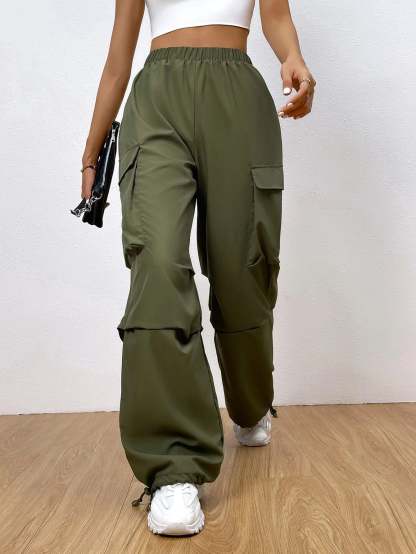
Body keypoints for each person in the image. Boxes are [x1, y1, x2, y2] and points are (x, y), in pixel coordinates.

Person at [80, 0, 315, 537]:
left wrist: (293, 57)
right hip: (157, 101)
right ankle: (174, 465)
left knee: (243, 268)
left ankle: (250, 403)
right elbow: (118, 58)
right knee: (157, 260)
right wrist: (91, 153)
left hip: (238, 97)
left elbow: (276, 15)